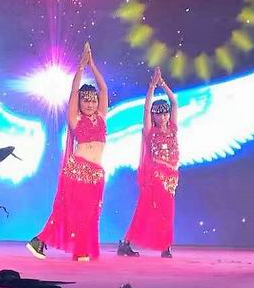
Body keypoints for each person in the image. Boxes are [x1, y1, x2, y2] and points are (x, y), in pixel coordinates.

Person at [26, 42, 108, 261]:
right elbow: (74, 90)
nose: (90, 104)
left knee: (90, 214)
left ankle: (81, 249)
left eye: (93, 101)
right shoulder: (75, 119)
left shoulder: (101, 117)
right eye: (85, 100)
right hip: (78, 170)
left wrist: (92, 65)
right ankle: (39, 240)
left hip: (97, 173)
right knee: (68, 211)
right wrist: (81, 67)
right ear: (79, 103)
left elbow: (103, 89)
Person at [118, 66, 179, 258]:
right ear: (153, 116)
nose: (163, 116)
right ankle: (126, 243)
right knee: (145, 211)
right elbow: (146, 108)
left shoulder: (173, 128)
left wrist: (163, 84)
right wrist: (152, 87)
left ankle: (166, 246)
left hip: (171, 178)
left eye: (165, 113)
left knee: (167, 212)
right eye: (158, 113)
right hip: (155, 178)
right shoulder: (150, 132)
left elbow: (174, 101)